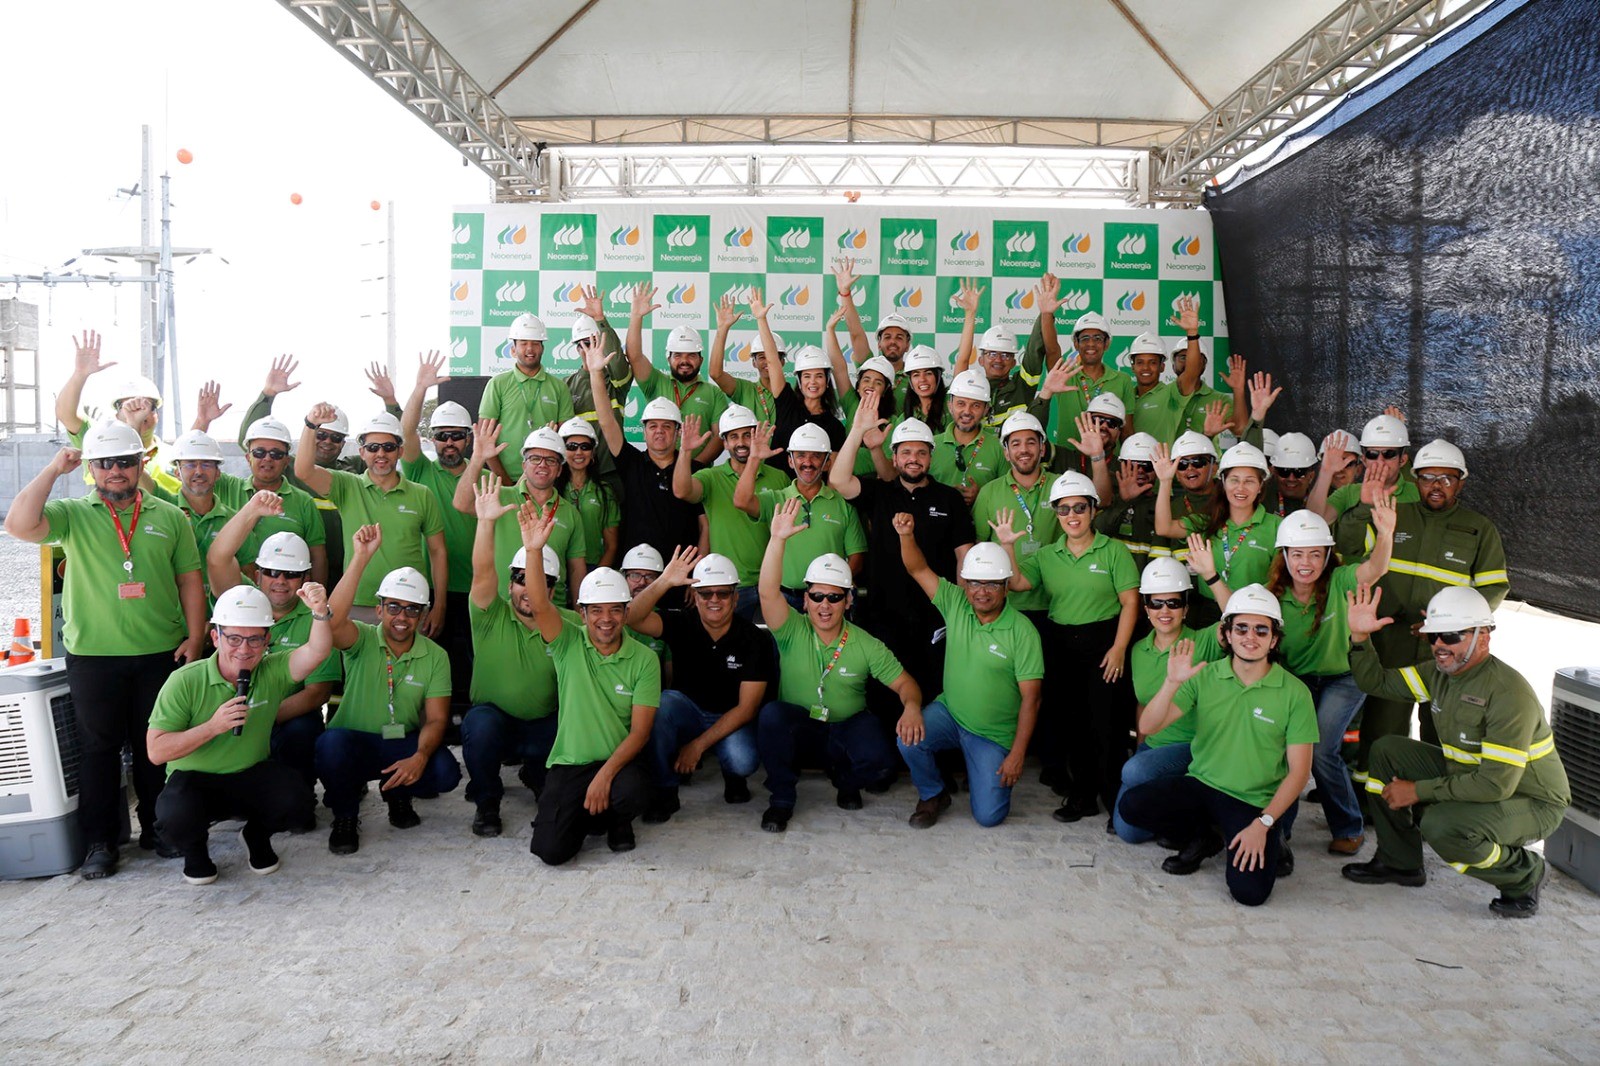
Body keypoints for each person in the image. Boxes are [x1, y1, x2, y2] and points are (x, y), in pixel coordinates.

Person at [4, 423, 206, 878]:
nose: (115, 471)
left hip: (160, 654)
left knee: (155, 748)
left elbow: (190, 579)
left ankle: (158, 830)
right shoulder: (73, 513)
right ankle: (101, 842)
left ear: (141, 464)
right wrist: (55, 470)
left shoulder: (170, 516)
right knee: (99, 750)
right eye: (105, 463)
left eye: (125, 462)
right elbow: (17, 524)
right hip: (95, 657)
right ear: (91, 469)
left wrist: (195, 638)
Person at [1342, 585, 1569, 918]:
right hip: (1469, 776)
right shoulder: (1439, 673)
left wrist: (1417, 791)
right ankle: (1400, 861)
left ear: (1483, 637)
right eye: (1434, 635)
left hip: (1529, 799)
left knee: (1442, 826)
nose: (1438, 645)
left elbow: (1495, 785)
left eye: (1450, 636)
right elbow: (1377, 683)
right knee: (1387, 750)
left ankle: (1524, 874)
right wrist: (1360, 637)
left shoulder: (1508, 694)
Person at [1195, 501, 1396, 856]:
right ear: (1284, 556)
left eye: (1315, 554)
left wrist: (1386, 534)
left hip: (1343, 677)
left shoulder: (1340, 581)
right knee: (1287, 752)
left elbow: (1375, 569)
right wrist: (1212, 577)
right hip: (1295, 680)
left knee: (1321, 750)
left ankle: (1348, 825)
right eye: (1298, 554)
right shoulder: (1272, 594)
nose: (1306, 563)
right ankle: (1280, 832)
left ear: (1327, 556)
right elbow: (1236, 611)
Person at [1119, 584, 1317, 906]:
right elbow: (1148, 726)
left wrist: (1263, 823)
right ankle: (1203, 837)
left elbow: (1299, 773)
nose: (1250, 637)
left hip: (1252, 801)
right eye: (1241, 627)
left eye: (1261, 629)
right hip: (1202, 784)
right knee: (1132, 806)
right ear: (1226, 634)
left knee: (1249, 894)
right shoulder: (1205, 676)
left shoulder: (1295, 693)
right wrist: (1172, 682)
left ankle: (1273, 834)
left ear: (1274, 639)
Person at [147, 583, 331, 885]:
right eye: (233, 638)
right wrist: (212, 727)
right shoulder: (183, 681)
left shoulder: (271, 670)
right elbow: (156, 751)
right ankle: (196, 851)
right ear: (216, 637)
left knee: (298, 800)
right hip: (195, 781)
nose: (244, 649)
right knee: (174, 818)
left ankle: (256, 835)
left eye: (255, 639)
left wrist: (321, 613)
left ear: (267, 640)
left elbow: (318, 651)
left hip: (249, 774)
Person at [755, 499, 921, 832]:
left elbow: (906, 684)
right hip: (803, 727)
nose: (825, 605)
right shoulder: (791, 629)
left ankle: (846, 780)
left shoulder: (866, 643)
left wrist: (913, 706)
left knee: (882, 759)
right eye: (817, 596)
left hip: (845, 726)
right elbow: (767, 592)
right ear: (805, 599)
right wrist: (777, 540)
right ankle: (782, 798)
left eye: (834, 597)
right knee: (772, 714)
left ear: (848, 600)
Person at [992, 471, 1140, 823]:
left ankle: (1115, 800)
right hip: (1062, 643)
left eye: (1079, 507)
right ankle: (1083, 796)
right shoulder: (1047, 555)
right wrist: (1007, 546)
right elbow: (1017, 583)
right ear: (1056, 515)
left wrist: (1119, 648)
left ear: (1092, 509)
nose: (1072, 516)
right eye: (1063, 509)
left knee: (1107, 725)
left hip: (1105, 643)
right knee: (1073, 724)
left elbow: (1131, 603)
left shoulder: (1114, 551)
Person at [519, 505, 661, 863]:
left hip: (620, 762)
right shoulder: (568, 642)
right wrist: (534, 550)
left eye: (615, 609)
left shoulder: (644, 659)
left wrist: (605, 776)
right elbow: (538, 603)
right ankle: (588, 814)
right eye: (596, 610)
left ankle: (616, 820)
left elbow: (640, 733)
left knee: (631, 791)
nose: (606, 619)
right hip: (571, 762)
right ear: (581, 614)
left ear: (627, 613)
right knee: (550, 852)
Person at [316, 525, 460, 855]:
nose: (402, 617)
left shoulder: (435, 656)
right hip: (355, 740)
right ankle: (346, 816)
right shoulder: (362, 638)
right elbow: (332, 621)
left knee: (445, 772)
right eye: (394, 606)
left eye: (412, 609)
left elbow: (437, 720)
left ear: (423, 615)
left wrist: (419, 757)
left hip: (400, 741)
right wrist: (360, 558)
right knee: (329, 745)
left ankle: (396, 792)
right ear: (379, 609)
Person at [832, 394, 974, 720]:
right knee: (885, 696)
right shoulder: (880, 493)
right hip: (884, 615)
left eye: (921, 452)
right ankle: (888, 764)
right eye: (906, 451)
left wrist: (963, 612)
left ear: (930, 457)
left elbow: (963, 556)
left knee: (936, 693)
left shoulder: (949, 499)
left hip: (935, 617)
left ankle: (932, 761)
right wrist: (857, 431)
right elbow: (838, 480)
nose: (914, 458)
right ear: (894, 458)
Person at [892, 525, 1043, 829]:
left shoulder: (1022, 630)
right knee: (907, 738)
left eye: (991, 584)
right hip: (951, 713)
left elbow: (1032, 699)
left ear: (1005, 586)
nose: (981, 591)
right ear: (965, 583)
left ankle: (983, 772)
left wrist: (1017, 754)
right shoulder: (956, 602)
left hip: (992, 734)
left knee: (989, 817)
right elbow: (916, 567)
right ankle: (934, 793)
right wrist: (907, 534)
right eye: (974, 582)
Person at [206, 492, 343, 799]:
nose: (280, 580)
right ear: (257, 574)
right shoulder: (242, 598)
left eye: (292, 574)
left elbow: (317, 692)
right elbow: (218, 558)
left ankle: (297, 796)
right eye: (271, 572)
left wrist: (262, 715)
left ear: (305, 577)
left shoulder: (317, 616)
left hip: (286, 714)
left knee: (303, 732)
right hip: (232, 711)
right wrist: (251, 511)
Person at [625, 551, 775, 822]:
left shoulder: (754, 639)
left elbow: (747, 708)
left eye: (723, 593)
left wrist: (697, 746)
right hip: (688, 711)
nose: (714, 600)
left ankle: (733, 777)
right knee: (663, 706)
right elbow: (631, 618)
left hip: (731, 716)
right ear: (695, 597)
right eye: (705, 593)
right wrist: (664, 582)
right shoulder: (681, 622)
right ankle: (666, 791)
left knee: (743, 761)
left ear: (736, 597)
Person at [458, 476, 566, 837]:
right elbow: (482, 571)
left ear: (551, 588)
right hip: (496, 721)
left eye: (538, 580)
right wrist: (485, 523)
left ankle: (536, 772)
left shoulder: (566, 622)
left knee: (566, 727)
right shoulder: (490, 612)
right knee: (479, 726)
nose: (526, 587)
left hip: (543, 724)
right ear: (510, 584)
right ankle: (487, 800)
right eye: (519, 578)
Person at [231, 354, 383, 584]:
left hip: (348, 569)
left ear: (343, 442)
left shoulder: (353, 469)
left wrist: (391, 405)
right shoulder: (287, 466)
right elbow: (253, 441)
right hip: (297, 572)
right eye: (321, 434)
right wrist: (268, 395)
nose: (327, 442)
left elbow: (387, 450)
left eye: (335, 438)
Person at [296, 404, 446, 630]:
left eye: (388, 447)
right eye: (373, 447)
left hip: (410, 604)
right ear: (362, 451)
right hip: (357, 603)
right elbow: (304, 471)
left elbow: (438, 551)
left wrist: (440, 606)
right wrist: (310, 425)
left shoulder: (422, 494)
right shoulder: (347, 485)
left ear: (400, 451)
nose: (381, 454)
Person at [1109, 558, 1224, 844]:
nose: (1165, 611)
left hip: (1195, 749)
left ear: (1185, 608)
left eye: (1173, 603)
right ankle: (1182, 812)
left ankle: (1190, 812)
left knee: (1135, 771)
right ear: (1146, 608)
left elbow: (1237, 615)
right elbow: (1142, 705)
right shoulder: (1138, 650)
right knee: (1128, 831)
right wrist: (1141, 747)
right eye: (1157, 603)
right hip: (1155, 748)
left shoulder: (1204, 641)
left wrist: (1210, 577)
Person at [398, 352, 478, 721]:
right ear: (433, 440)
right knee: (434, 661)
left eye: (457, 437)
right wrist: (419, 389)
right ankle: (436, 724)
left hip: (477, 586)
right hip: (431, 588)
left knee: (472, 662)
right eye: (443, 436)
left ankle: (470, 723)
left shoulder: (480, 474)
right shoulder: (419, 470)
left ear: (468, 439)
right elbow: (406, 432)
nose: (449, 443)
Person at [587, 342, 709, 561]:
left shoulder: (696, 469)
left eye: (667, 426)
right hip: (638, 574)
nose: (659, 432)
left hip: (682, 574)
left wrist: (698, 573)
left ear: (678, 432)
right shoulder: (631, 462)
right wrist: (596, 373)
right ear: (643, 431)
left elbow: (704, 525)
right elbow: (606, 422)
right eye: (653, 426)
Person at [451, 420, 588, 604]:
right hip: (501, 610)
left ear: (559, 469)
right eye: (534, 458)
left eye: (550, 460)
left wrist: (581, 610)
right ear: (524, 466)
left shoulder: (571, 514)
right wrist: (478, 458)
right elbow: (461, 504)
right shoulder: (498, 497)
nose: (542, 465)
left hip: (553, 614)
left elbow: (576, 570)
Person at [673, 406, 788, 619]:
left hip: (774, 582)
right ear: (724, 443)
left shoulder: (779, 477)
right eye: (733, 437)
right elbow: (681, 490)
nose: (741, 442)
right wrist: (685, 451)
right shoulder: (710, 477)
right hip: (730, 585)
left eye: (747, 435)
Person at [736, 422, 868, 607]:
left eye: (816, 456)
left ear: (827, 463)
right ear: (790, 461)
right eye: (800, 456)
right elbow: (741, 501)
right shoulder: (776, 499)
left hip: (827, 601)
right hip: (784, 599)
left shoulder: (843, 503)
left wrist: (829, 590)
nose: (807, 462)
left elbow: (857, 558)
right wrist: (754, 459)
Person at [1154, 440, 1281, 630]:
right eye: (1234, 480)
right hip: (1208, 614)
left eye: (1249, 481)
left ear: (1261, 486)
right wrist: (1165, 482)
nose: (1240, 488)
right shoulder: (1207, 521)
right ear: (1222, 482)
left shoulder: (1277, 526)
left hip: (1255, 614)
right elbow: (1164, 528)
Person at [192, 412, 328, 586]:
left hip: (283, 597)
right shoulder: (227, 487)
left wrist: (315, 602)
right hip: (232, 595)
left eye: (276, 454)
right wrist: (203, 421)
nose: (267, 458)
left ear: (287, 460)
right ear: (248, 457)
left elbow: (318, 557)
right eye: (259, 452)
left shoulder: (304, 502)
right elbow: (192, 464)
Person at [54, 330, 179, 493]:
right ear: (116, 412)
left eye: (146, 405)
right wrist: (80, 375)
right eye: (130, 405)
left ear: (157, 413)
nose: (138, 411)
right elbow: (65, 414)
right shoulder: (99, 440)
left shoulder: (174, 457)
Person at [973, 412, 1064, 630]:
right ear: (1006, 452)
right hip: (1003, 605)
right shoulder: (989, 492)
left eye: (1031, 442)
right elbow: (978, 547)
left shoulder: (1061, 487)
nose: (1023, 450)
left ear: (1042, 449)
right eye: (1015, 444)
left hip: (1055, 603)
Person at [625, 288, 726, 464]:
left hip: (698, 476)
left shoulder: (714, 393)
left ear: (701, 359)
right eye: (678, 355)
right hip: (657, 470)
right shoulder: (655, 381)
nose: (684, 361)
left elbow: (719, 436)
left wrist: (695, 467)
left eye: (691, 355)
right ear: (668, 358)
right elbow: (634, 356)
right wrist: (636, 316)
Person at [477, 312, 577, 484]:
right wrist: (507, 483)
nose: (530, 349)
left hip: (546, 482)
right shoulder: (497, 384)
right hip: (504, 481)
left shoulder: (559, 387)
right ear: (513, 350)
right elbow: (484, 441)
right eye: (523, 344)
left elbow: (567, 439)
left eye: (535, 344)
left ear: (542, 348)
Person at [1023, 310, 1135, 455]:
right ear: (1076, 344)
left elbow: (1127, 430)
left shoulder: (1123, 380)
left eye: (1097, 338)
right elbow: (1051, 350)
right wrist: (1046, 313)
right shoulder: (1064, 374)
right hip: (1069, 459)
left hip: (1108, 462)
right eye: (1085, 338)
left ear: (1107, 344)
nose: (1091, 344)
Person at [150, 430, 243, 601]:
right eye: (190, 464)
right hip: (175, 619)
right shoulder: (163, 510)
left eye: (207, 464)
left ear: (217, 473)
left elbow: (247, 574)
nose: (199, 471)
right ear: (177, 472)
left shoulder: (234, 521)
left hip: (220, 620)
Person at [1309, 413, 1418, 560]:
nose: (1380, 461)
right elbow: (1313, 523)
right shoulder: (1348, 493)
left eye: (1389, 454)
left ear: (1403, 460)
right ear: (1364, 460)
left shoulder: (1417, 493)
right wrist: (1326, 472)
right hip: (1355, 581)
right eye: (1373, 454)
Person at [950, 281, 1049, 430]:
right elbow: (962, 360)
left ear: (1014, 362)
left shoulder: (1022, 386)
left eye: (1005, 355)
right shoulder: (972, 386)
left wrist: (1045, 313)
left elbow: (1035, 349)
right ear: (981, 360)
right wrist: (970, 314)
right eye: (992, 354)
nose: (998, 359)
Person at [1093, 431, 1174, 572]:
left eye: (1148, 466)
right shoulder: (1110, 501)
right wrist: (1124, 501)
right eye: (1134, 466)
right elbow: (1096, 533)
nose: (1140, 471)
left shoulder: (1168, 506)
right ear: (1122, 465)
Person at [929, 370, 1005, 505]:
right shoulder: (931, 445)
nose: (967, 412)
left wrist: (981, 496)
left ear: (986, 409)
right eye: (961, 403)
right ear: (950, 405)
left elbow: (1008, 495)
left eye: (976, 405)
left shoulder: (998, 448)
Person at [556, 415, 620, 570]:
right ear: (562, 451)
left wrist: (593, 580)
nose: (579, 452)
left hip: (593, 567)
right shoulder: (551, 489)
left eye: (585, 447)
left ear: (593, 453)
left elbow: (611, 547)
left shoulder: (605, 491)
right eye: (571, 446)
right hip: (556, 568)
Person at [709, 292, 782, 428]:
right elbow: (715, 374)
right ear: (753, 362)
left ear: (782, 362)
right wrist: (723, 328)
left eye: (773, 357)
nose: (767, 362)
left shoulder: (791, 394)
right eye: (761, 357)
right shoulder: (745, 389)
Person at [1262, 432, 1319, 517]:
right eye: (1284, 471)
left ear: (1311, 476)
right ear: (1275, 473)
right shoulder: (1261, 500)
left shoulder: (1324, 500)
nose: (1291, 478)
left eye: (1299, 472)